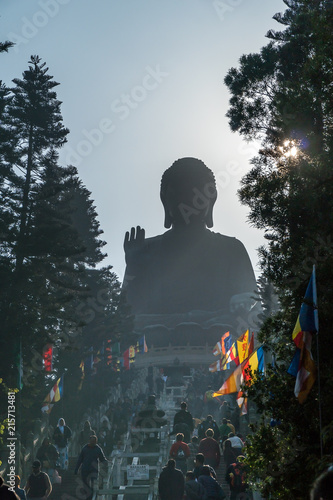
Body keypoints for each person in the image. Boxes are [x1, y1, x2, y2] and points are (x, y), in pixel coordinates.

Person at [123, 158, 257, 333]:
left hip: (217, 330)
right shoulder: (146, 249)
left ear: (211, 200)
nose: (187, 201)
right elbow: (124, 315)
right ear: (165, 200)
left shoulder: (231, 248)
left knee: (227, 324)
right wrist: (133, 268)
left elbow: (251, 303)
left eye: (196, 194)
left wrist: (239, 305)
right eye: (178, 193)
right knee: (141, 327)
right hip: (157, 332)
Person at [74, 435, 108, 500]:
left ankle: (92, 496)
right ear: (89, 441)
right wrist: (76, 469)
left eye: (94, 441)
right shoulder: (85, 448)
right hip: (85, 469)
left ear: (96, 442)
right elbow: (80, 460)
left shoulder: (98, 449)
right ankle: (88, 497)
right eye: (92, 441)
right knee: (85, 484)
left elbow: (102, 458)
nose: (93, 442)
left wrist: (107, 462)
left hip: (94, 470)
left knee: (93, 483)